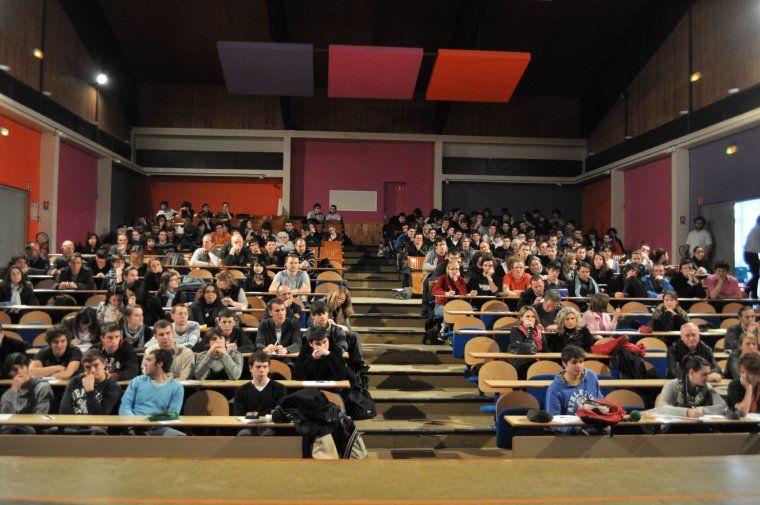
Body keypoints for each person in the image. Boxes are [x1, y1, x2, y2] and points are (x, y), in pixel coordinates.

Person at [119, 347, 185, 436]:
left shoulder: (177, 387)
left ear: (159, 364)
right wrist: (135, 421)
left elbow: (172, 414)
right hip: (134, 426)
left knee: (182, 439)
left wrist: (148, 420)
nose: (145, 364)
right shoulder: (137, 381)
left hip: (159, 428)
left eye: (149, 360)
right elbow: (125, 406)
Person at [545, 345, 603, 433]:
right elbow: (554, 420)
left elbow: (600, 400)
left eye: (581, 362)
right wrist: (576, 430)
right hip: (571, 434)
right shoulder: (554, 388)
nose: (578, 366)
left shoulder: (591, 376)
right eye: (574, 362)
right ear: (564, 363)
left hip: (595, 427)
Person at [59, 348, 121, 430]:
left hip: (98, 433)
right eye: (88, 367)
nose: (92, 370)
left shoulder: (113, 387)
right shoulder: (75, 381)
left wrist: (90, 391)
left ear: (104, 364)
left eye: (96, 365)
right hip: (75, 427)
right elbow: (64, 412)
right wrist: (87, 425)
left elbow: (100, 417)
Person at [651, 355, 726, 418]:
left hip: (697, 428)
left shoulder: (707, 388)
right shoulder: (672, 385)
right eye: (704, 375)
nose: (707, 378)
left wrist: (700, 410)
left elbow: (723, 407)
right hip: (674, 429)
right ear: (692, 373)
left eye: (708, 374)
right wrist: (687, 412)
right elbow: (662, 407)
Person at [233, 352, 288, 435]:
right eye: (258, 367)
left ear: (268, 368)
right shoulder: (241, 390)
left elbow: (280, 412)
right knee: (244, 434)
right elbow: (238, 414)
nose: (262, 370)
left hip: (271, 426)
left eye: (265, 367)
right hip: (248, 426)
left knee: (269, 434)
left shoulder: (279, 388)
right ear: (250, 368)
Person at [1, 353, 53, 433]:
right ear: (9, 373)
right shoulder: (10, 390)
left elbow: (40, 417)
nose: (19, 372)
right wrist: (13, 390)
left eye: (22, 367)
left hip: (33, 430)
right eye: (15, 370)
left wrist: (19, 423)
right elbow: (4, 416)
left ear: (27, 367)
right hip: (10, 429)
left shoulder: (42, 387)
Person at [727, 351, 760, 416]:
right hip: (739, 425)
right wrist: (749, 388)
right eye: (742, 372)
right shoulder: (734, 385)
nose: (744, 376)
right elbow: (742, 412)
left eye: (749, 373)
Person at [743, 215, 760, 298]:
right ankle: (747, 291)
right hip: (751, 254)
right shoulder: (757, 230)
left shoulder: (755, 229)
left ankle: (753, 294)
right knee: (756, 275)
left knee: (756, 275)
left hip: (749, 253)